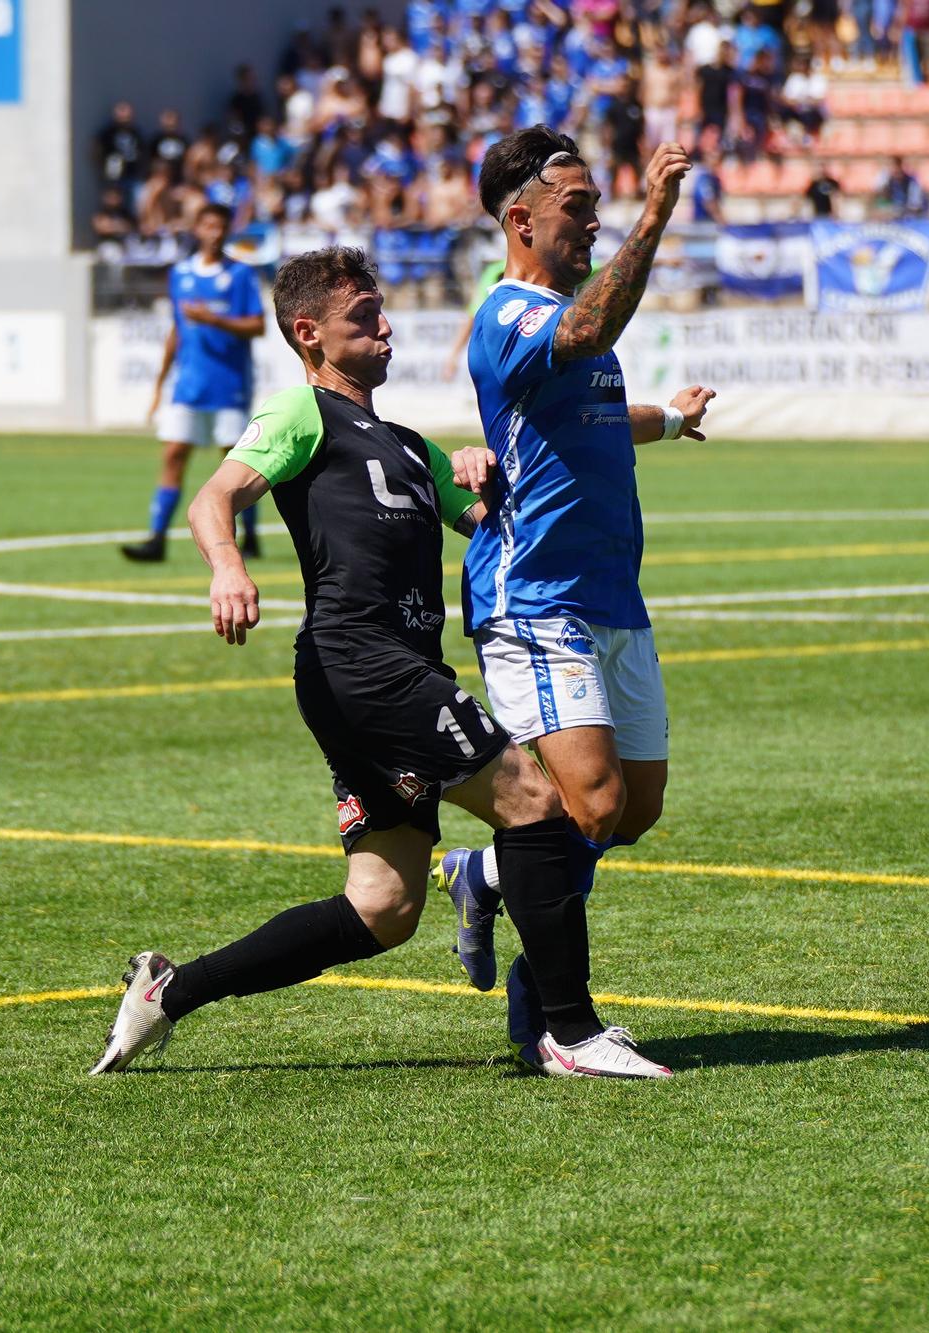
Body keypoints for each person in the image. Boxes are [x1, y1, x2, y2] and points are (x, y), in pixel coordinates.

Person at [89, 246, 670, 1081]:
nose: (387, 327)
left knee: (386, 906)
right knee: (537, 805)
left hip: (381, 670)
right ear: (309, 332)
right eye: (364, 317)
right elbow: (215, 497)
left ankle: (170, 990)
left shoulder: (406, 443)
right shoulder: (303, 415)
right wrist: (227, 565)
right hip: (360, 661)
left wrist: (481, 468)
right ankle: (570, 1033)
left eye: (383, 310)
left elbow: (494, 516)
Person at [432, 127, 716, 1067]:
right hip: (536, 596)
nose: (592, 221)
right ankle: (564, 1026)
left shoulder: (566, 320)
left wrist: (669, 419)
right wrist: (656, 212)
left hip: (612, 597)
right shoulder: (513, 313)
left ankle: (487, 874)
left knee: (634, 809)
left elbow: (594, 410)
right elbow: (589, 331)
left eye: (599, 205)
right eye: (577, 207)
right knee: (585, 807)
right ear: (520, 219)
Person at [122, 203, 267, 563]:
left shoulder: (240, 275)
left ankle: (250, 537)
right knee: (173, 454)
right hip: (189, 384)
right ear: (197, 229)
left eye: (220, 227)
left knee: (236, 462)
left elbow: (258, 325)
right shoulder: (181, 273)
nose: (214, 233)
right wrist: (159, 382)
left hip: (229, 384)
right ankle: (156, 539)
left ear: (227, 230)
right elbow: (177, 330)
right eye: (207, 226)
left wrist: (214, 319)